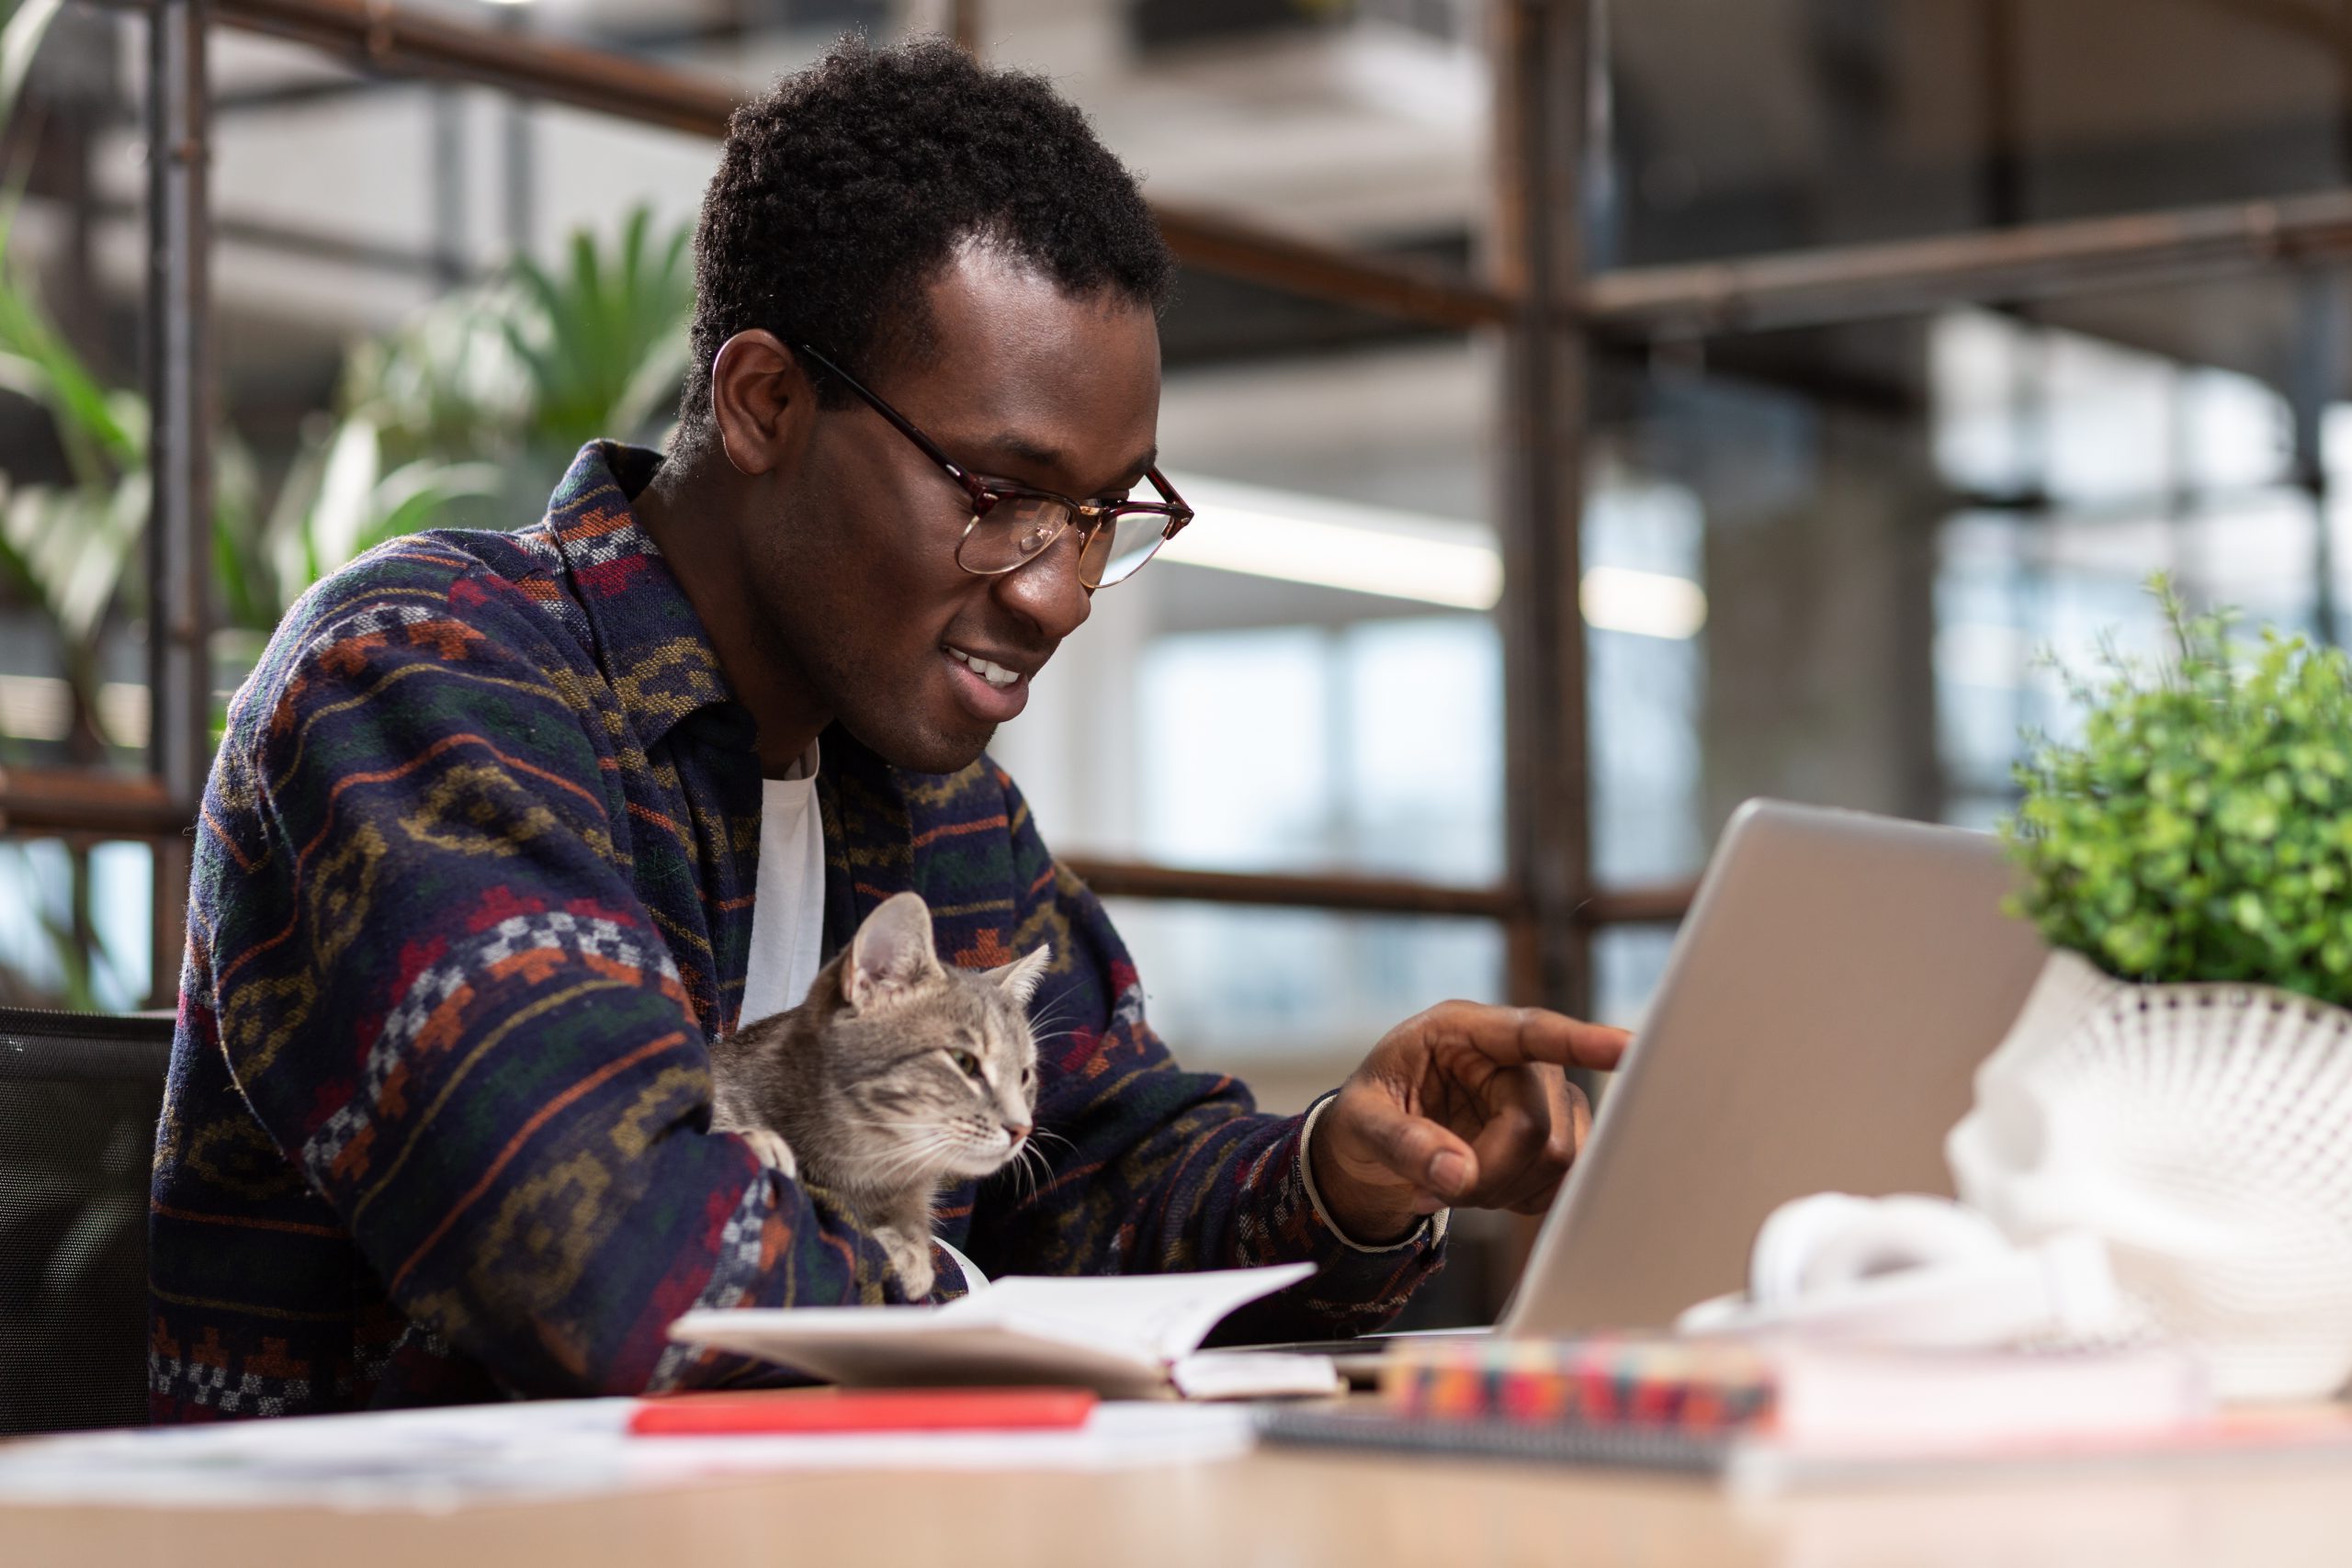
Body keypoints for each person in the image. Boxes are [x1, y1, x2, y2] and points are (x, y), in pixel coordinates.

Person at [148, 38, 1626, 1420]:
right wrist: (980, 1303)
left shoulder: (940, 802)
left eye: (1104, 515)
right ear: (767, 402)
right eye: (1000, 496)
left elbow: (1096, 1173)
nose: (1063, 592)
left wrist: (1338, 1175)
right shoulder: (427, 677)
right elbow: (626, 1275)